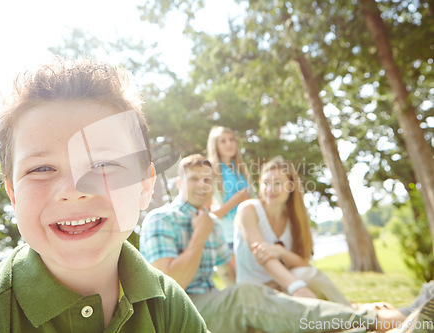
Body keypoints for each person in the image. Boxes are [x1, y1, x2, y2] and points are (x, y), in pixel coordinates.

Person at [0, 58, 207, 332]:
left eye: (102, 165)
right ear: (13, 194)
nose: (73, 191)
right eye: (41, 168)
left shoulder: (170, 307)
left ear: (144, 186)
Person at [139, 154, 401, 333]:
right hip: (176, 313)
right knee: (247, 296)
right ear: (178, 183)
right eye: (194, 178)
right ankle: (369, 319)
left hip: (210, 303)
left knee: (269, 304)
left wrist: (267, 295)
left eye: (207, 179)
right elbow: (170, 287)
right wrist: (199, 236)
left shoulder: (211, 224)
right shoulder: (160, 219)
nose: (202, 185)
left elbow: (230, 273)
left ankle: (358, 320)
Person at [234, 156, 349, 304]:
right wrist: (297, 287)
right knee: (303, 286)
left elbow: (303, 262)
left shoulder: (294, 219)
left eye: (277, 183)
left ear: (290, 186)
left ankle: (351, 312)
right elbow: (263, 257)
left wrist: (280, 251)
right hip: (255, 291)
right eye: (265, 183)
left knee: (309, 274)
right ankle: (351, 314)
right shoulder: (248, 210)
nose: (270, 189)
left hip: (282, 284)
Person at [207, 126, 250, 283]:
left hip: (247, 235)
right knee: (241, 288)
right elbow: (213, 215)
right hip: (227, 239)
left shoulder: (240, 170)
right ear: (215, 145)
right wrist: (237, 199)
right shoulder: (211, 172)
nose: (229, 144)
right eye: (223, 141)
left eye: (231, 140)